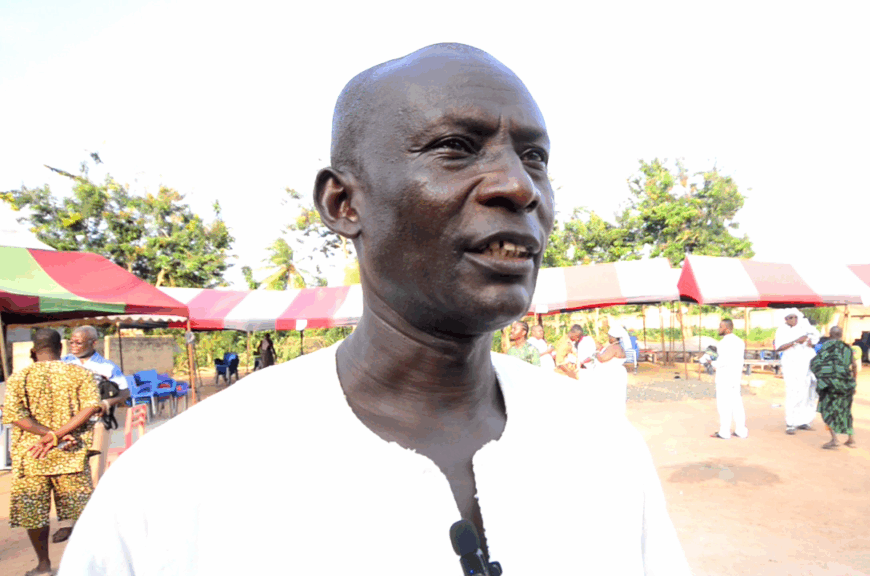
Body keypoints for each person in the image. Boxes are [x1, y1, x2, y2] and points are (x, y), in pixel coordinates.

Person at [61, 44, 690, 575]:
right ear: (343, 203)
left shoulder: (602, 450)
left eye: (535, 158)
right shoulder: (174, 488)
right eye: (456, 146)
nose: (519, 186)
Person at [3, 328, 104, 575]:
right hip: (71, 455)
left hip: (32, 457)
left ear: (33, 351)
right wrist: (58, 435)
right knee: (81, 513)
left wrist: (48, 435)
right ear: (61, 348)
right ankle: (83, 566)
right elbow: (91, 407)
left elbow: (16, 416)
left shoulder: (19, 377)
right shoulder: (80, 374)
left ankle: (44, 565)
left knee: (34, 515)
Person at [61, 326, 130, 487]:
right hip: (68, 423)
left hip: (96, 423)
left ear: (93, 343)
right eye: (71, 342)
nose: (73, 346)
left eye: (78, 343)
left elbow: (125, 392)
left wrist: (106, 403)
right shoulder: (64, 363)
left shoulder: (107, 367)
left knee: (95, 469)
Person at [811, 326, 857, 449]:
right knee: (845, 410)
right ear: (841, 335)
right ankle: (851, 439)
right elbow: (854, 365)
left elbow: (815, 364)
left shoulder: (825, 347)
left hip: (829, 385)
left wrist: (821, 376)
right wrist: (854, 382)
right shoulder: (847, 348)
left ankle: (835, 439)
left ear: (830, 334)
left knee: (826, 410)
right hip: (846, 383)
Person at [775, 308, 820, 435]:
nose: (793, 320)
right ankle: (791, 423)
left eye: (795, 317)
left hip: (807, 364)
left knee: (809, 393)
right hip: (792, 366)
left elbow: (815, 339)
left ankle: (804, 421)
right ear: (785, 319)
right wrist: (796, 341)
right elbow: (779, 347)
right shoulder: (781, 330)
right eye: (790, 317)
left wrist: (810, 342)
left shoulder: (804, 327)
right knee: (793, 393)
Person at [711, 319, 747, 440]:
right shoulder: (740, 341)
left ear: (726, 329)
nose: (718, 329)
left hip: (725, 378)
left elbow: (722, 361)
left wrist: (711, 362)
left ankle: (724, 432)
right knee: (737, 404)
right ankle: (741, 430)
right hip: (735, 377)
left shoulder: (723, 343)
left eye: (720, 327)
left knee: (724, 405)